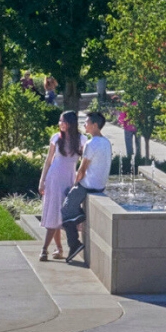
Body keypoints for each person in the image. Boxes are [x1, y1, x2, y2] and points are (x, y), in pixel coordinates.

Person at [60, 111, 112, 264]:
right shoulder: (106, 142)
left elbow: (82, 170)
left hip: (88, 186)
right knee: (67, 195)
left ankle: (74, 244)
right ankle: (79, 216)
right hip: (100, 186)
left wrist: (74, 184)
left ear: (95, 125)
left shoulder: (91, 143)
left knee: (65, 210)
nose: (84, 124)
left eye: (87, 122)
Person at [37, 111, 81, 261]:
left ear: (70, 123)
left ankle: (58, 249)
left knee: (61, 213)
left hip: (69, 178)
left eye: (62, 121)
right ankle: (47, 249)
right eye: (59, 121)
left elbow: (86, 161)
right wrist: (42, 180)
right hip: (54, 178)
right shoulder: (56, 138)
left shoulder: (81, 139)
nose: (59, 123)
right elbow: (48, 161)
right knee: (54, 212)